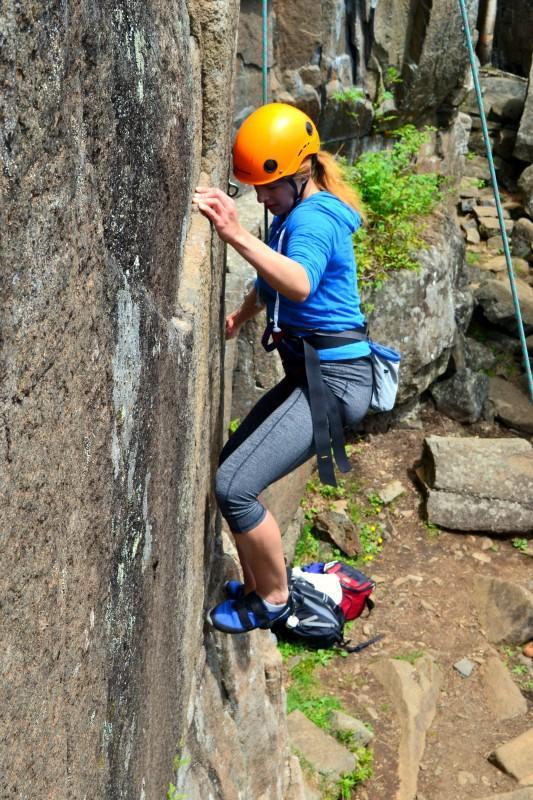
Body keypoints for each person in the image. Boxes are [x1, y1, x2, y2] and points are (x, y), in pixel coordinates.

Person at [192, 103, 373, 635]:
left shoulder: (313, 219)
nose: (261, 199)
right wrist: (244, 312)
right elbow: (273, 284)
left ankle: (272, 598)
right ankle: (254, 585)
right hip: (315, 374)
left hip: (333, 384)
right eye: (255, 189)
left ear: (301, 173)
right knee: (233, 466)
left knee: (234, 487)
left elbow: (297, 282)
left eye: (269, 188)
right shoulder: (296, 214)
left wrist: (234, 233)